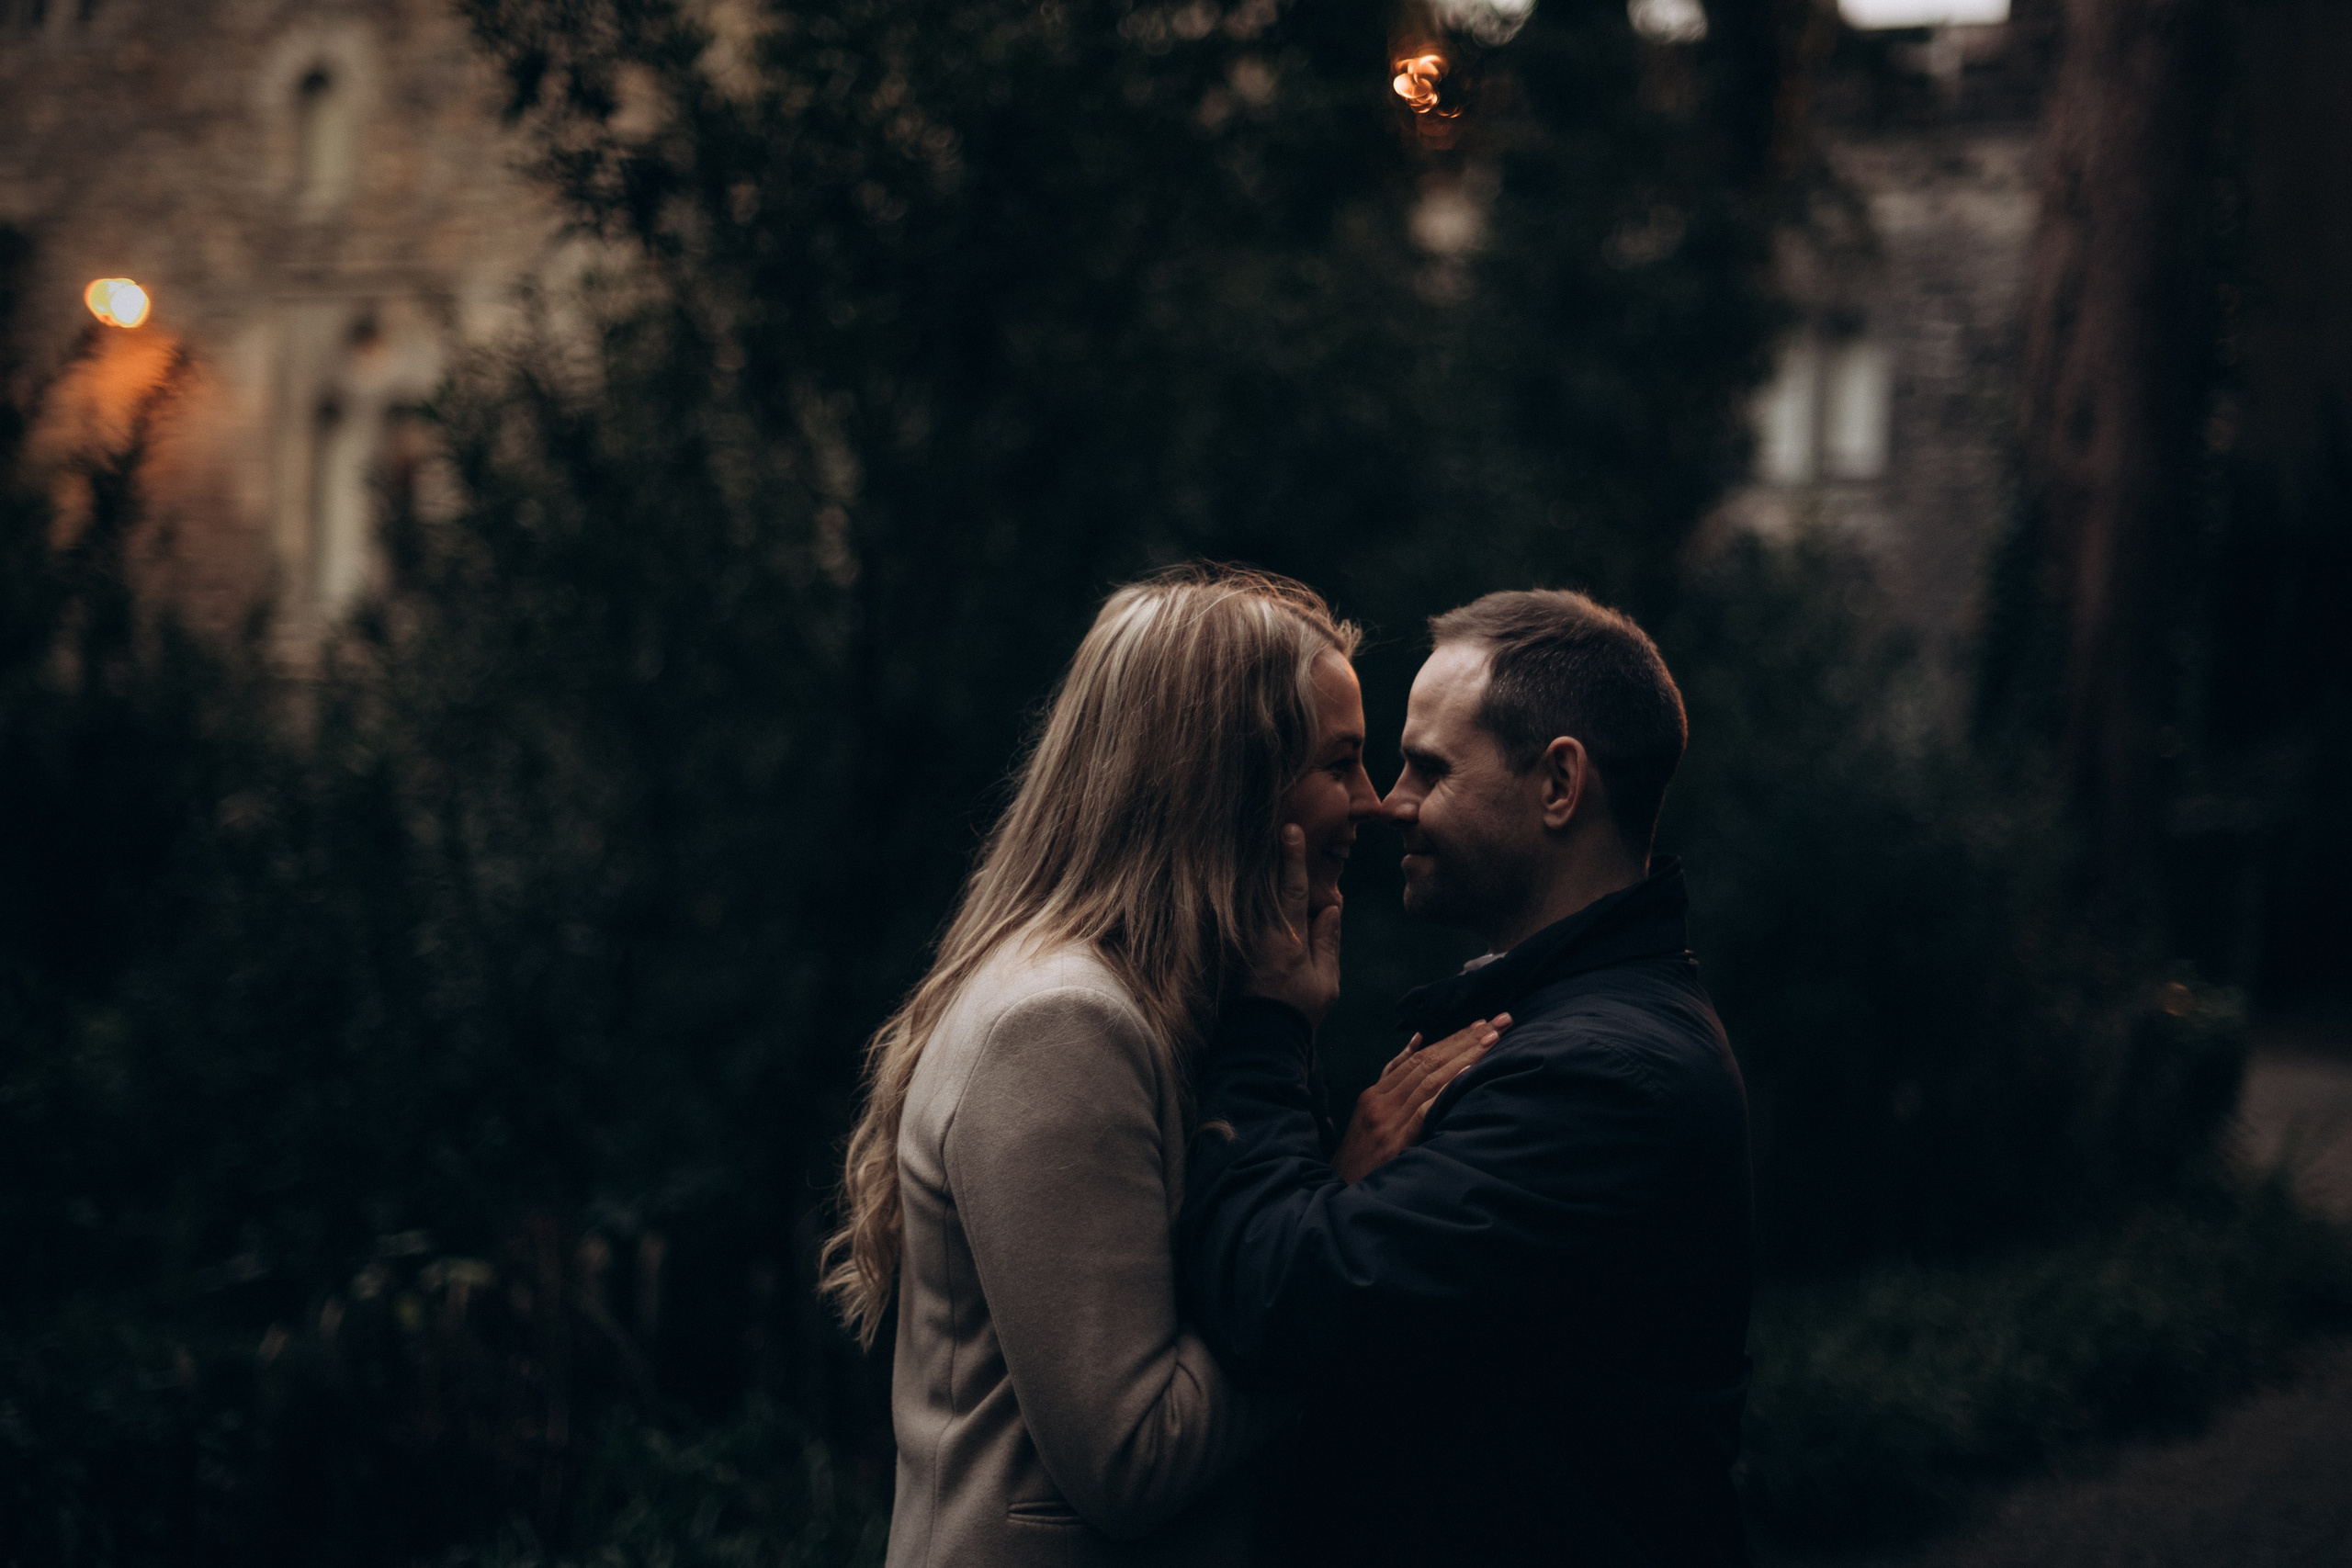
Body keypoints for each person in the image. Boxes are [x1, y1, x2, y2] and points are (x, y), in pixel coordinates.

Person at [824, 563, 1464, 1568]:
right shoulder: (1062, 1026)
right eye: (1340, 763)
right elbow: (1130, 1454)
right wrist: (1331, 1240)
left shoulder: (1157, 1009)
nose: (1375, 804)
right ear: (1228, 784)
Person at [1179, 589, 1754, 1567]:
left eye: (1428, 768)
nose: (1386, 801)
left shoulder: (1603, 1078)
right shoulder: (1546, 1026)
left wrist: (1266, 1032)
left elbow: (1284, 1302)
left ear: (1560, 784)